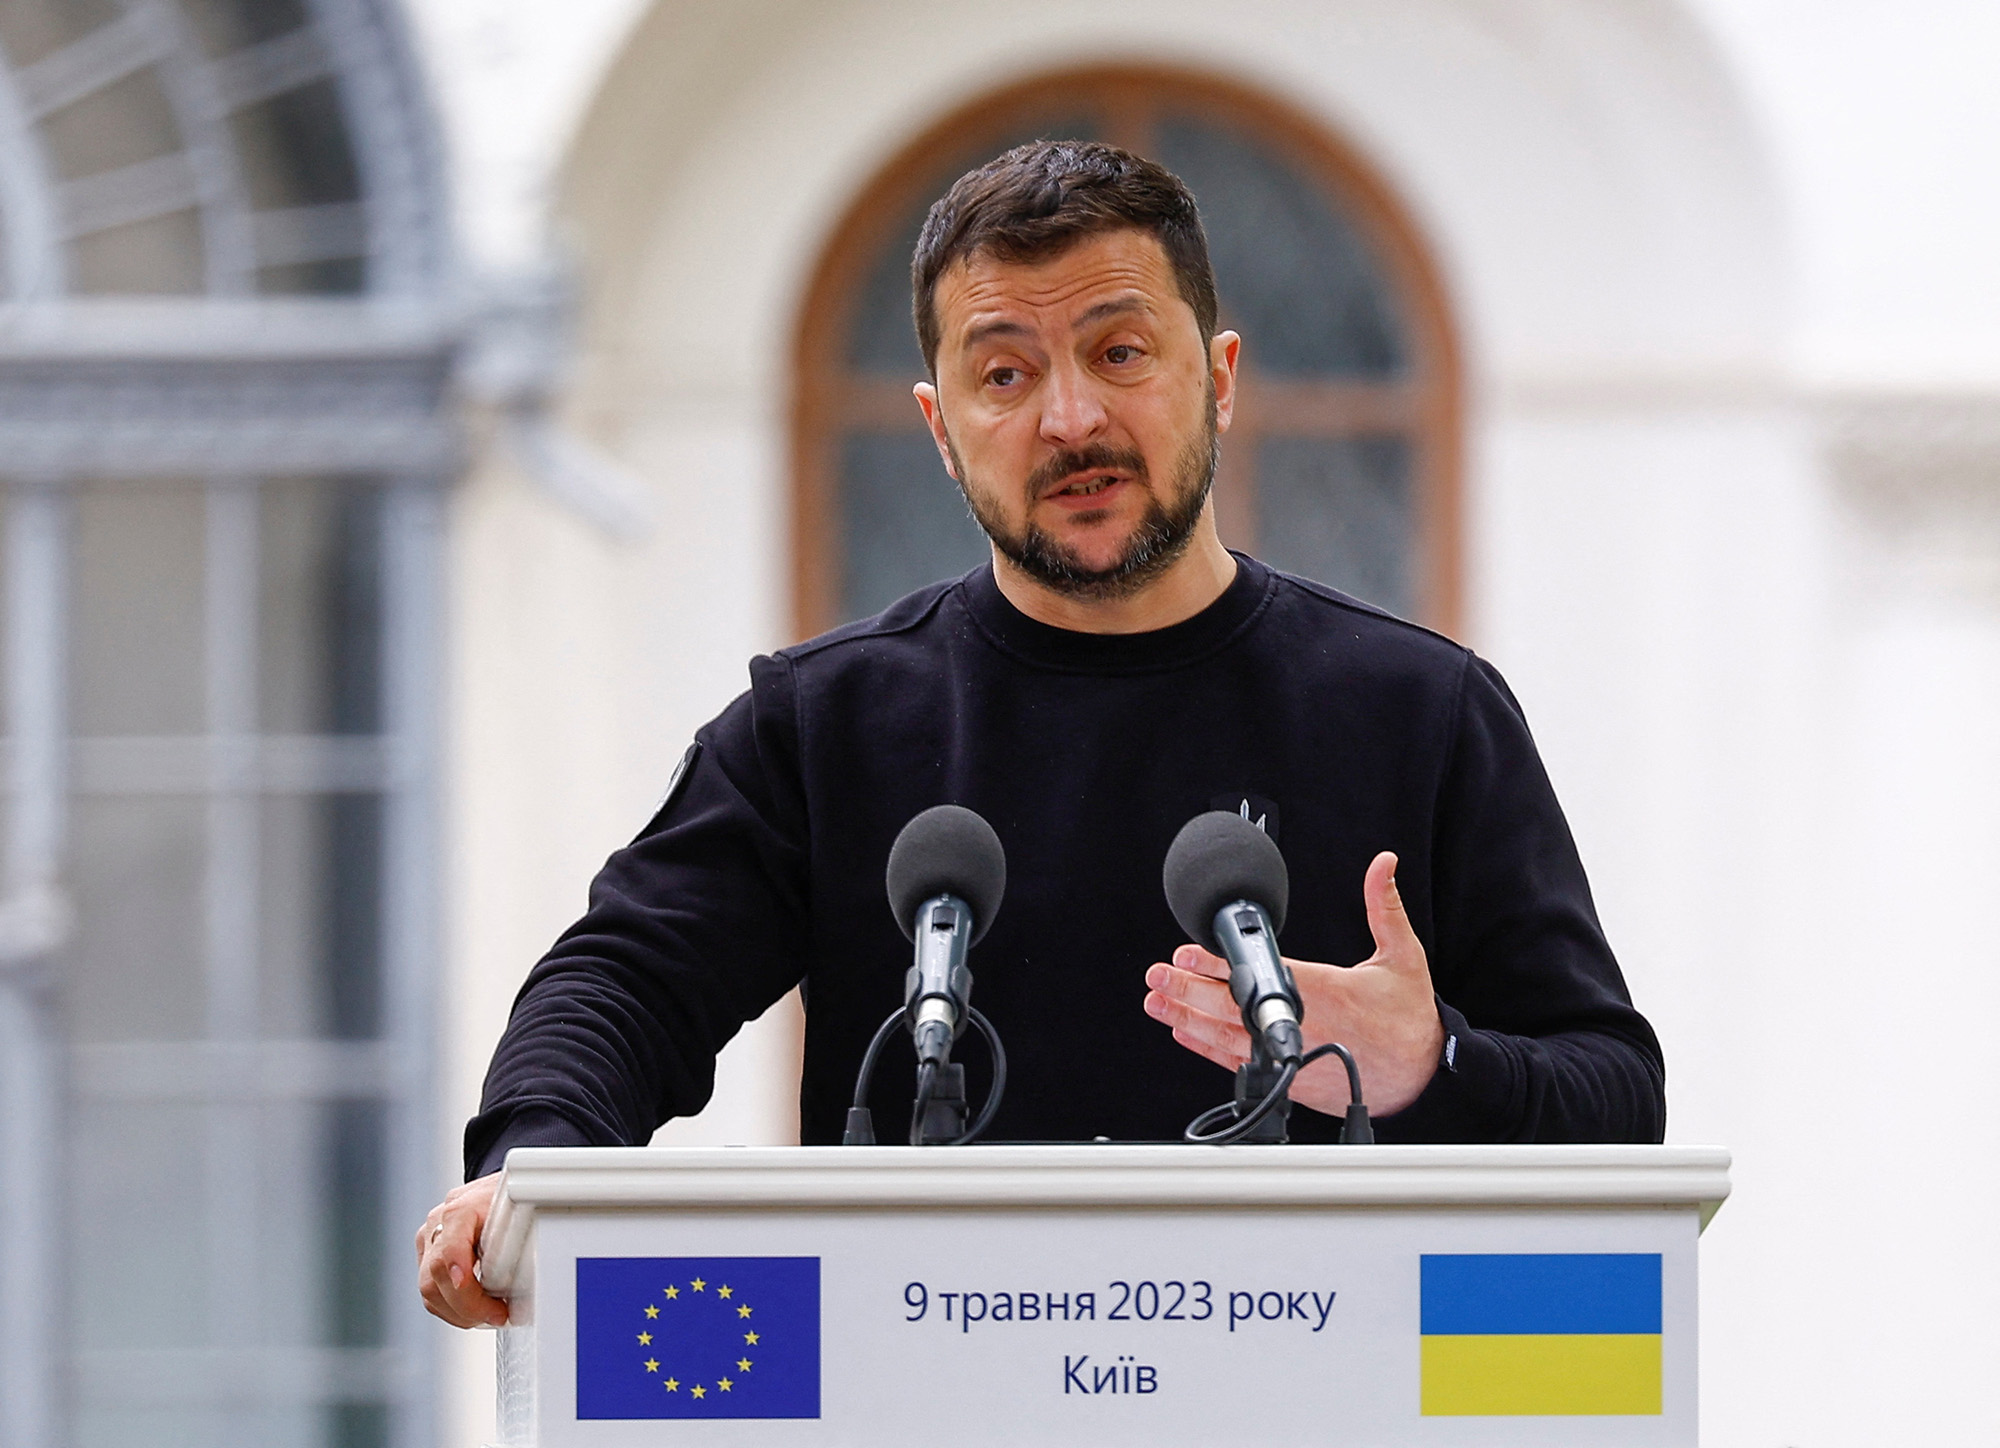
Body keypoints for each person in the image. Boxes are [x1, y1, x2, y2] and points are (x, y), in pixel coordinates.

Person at [418, 140, 1665, 1328]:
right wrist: (532, 1169)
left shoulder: (1421, 710)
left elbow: (1614, 1100)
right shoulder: (823, 725)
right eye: (1004, 375)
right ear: (940, 428)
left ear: (1219, 377)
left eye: (1118, 352)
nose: (1069, 419)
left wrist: (1430, 1064)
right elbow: (623, 982)